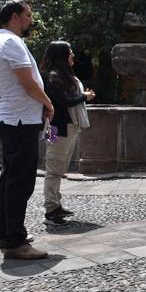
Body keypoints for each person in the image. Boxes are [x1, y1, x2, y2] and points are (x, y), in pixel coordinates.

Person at [0, 0, 53, 259]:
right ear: (15, 16)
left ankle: (8, 234)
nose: (31, 20)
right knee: (19, 183)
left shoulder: (6, 40)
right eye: (27, 15)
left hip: (16, 120)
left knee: (11, 180)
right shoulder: (11, 43)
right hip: (19, 121)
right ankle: (15, 241)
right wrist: (48, 103)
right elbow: (28, 84)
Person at [42, 41, 94, 224]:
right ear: (61, 55)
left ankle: (55, 205)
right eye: (69, 52)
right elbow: (62, 101)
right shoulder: (54, 76)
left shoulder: (60, 75)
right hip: (58, 127)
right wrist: (83, 96)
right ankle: (51, 210)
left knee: (57, 167)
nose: (72, 55)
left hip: (60, 126)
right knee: (54, 167)